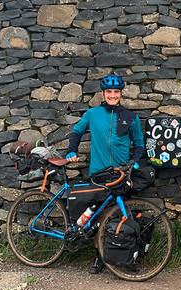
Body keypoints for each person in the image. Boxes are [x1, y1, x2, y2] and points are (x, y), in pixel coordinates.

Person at [65, 74, 145, 273]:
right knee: (97, 216)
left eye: (115, 92)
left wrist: (133, 162)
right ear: (103, 93)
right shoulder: (93, 113)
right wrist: (72, 150)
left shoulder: (130, 117)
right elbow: (76, 131)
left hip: (120, 174)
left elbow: (139, 145)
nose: (112, 95)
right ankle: (99, 256)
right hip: (98, 173)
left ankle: (125, 254)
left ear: (121, 93)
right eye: (108, 92)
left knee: (122, 214)